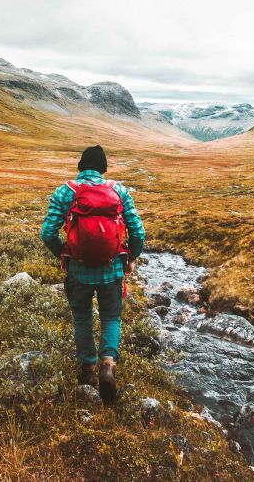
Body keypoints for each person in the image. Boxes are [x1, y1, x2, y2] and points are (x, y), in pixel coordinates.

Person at [40, 145, 145, 402]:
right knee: (111, 317)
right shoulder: (118, 190)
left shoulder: (66, 191)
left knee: (82, 318)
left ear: (80, 167)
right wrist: (130, 257)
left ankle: (88, 371)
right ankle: (108, 365)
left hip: (78, 269)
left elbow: (47, 233)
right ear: (103, 168)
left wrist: (63, 254)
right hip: (112, 269)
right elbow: (138, 232)